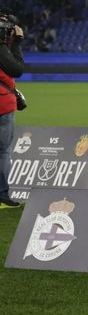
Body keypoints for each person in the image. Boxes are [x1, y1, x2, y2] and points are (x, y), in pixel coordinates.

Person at [0, 13, 24, 208]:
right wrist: (16, 44)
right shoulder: (2, 49)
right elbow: (16, 69)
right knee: (3, 151)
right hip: (2, 104)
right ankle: (2, 195)